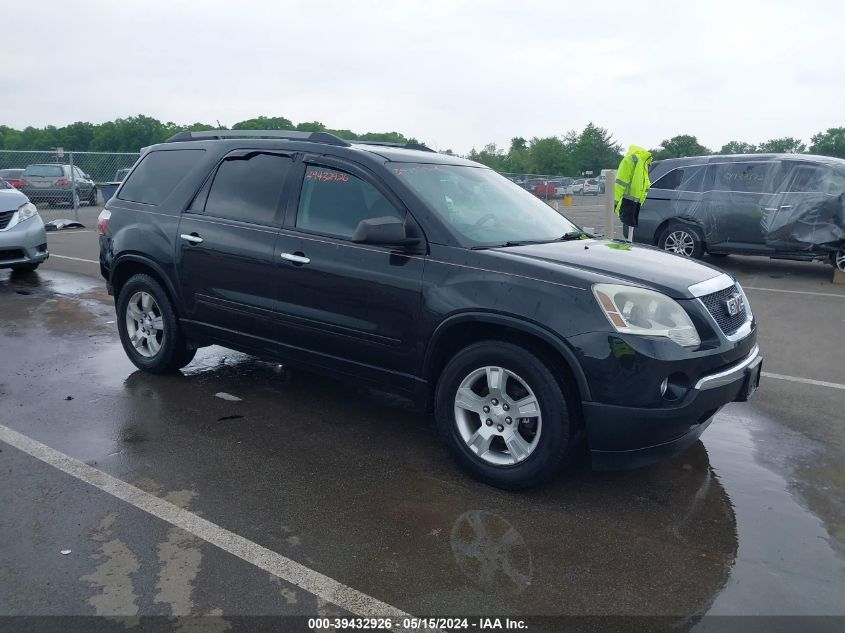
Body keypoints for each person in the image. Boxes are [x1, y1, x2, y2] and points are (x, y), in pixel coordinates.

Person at [614, 146, 653, 240]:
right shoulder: (635, 160)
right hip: (629, 201)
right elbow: (621, 182)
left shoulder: (643, 161)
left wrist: (614, 202)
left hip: (632, 201)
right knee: (628, 230)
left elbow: (644, 184)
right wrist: (614, 202)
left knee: (630, 230)